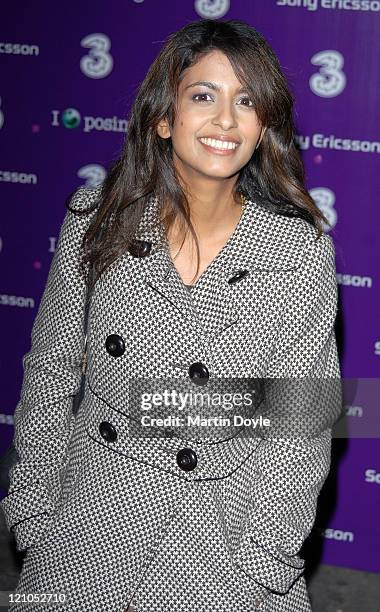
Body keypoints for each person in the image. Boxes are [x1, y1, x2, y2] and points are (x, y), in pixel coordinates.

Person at [1, 18, 342, 612]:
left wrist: (264, 555)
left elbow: (303, 420)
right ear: (164, 117)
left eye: (247, 103)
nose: (226, 121)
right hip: (91, 520)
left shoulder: (298, 247)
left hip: (225, 536)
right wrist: (34, 509)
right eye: (204, 96)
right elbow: (52, 372)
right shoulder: (97, 219)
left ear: (263, 130)